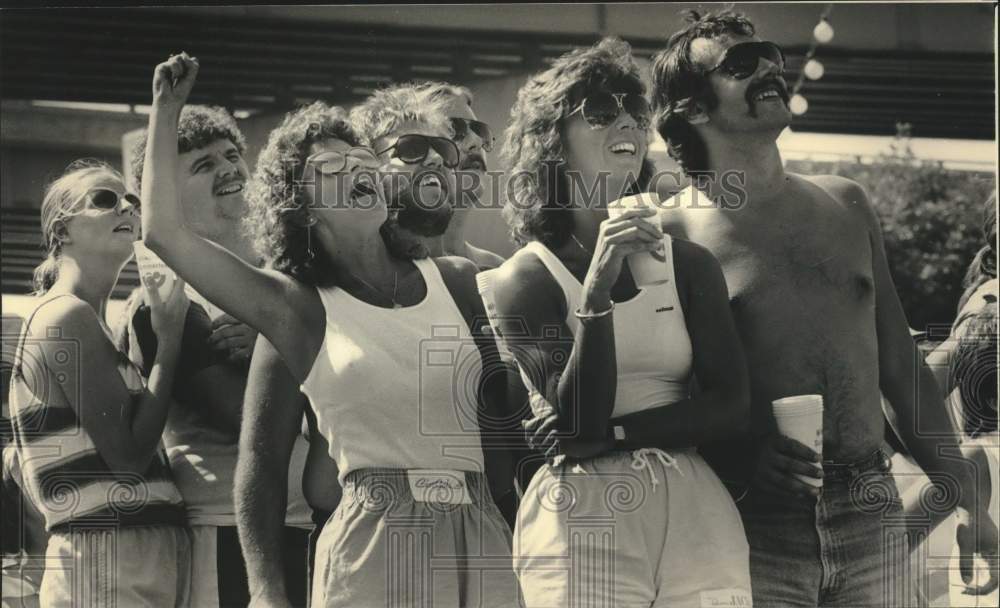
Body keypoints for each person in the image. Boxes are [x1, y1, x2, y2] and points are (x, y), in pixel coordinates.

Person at [648, 9, 998, 606]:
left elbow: (899, 363)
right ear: (692, 110)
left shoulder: (846, 203)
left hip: (871, 504)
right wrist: (738, 461)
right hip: (750, 521)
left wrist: (959, 487)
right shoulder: (666, 234)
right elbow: (657, 389)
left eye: (770, 56)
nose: (766, 68)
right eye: (739, 63)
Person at [142, 55, 519, 607]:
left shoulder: (463, 283)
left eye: (362, 158)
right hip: (371, 547)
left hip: (482, 533)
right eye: (330, 168)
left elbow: (506, 437)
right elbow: (163, 235)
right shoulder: (294, 308)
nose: (356, 169)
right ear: (302, 208)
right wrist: (166, 110)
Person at [493, 37, 752, 607]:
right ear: (552, 144)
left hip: (693, 510)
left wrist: (614, 436)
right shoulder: (525, 280)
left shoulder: (689, 263)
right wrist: (598, 287)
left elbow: (732, 406)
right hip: (580, 517)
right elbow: (577, 412)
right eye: (602, 114)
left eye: (636, 113)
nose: (629, 126)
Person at [116, 106, 314, 607]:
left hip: (313, 526)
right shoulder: (163, 300)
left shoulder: (289, 286)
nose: (228, 167)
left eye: (231, 155)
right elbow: (246, 419)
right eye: (202, 165)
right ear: (166, 198)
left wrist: (271, 337)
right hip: (228, 535)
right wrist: (281, 344)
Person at [8, 160, 190, 607]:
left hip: (124, 551)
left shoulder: (92, 323)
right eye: (105, 199)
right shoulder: (65, 315)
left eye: (130, 200)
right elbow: (128, 460)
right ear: (61, 231)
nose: (126, 207)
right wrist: (170, 342)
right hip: (108, 554)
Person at [413, 82, 506, 270]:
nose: (476, 142)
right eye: (454, 129)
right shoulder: (395, 275)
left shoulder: (498, 268)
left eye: (479, 130)